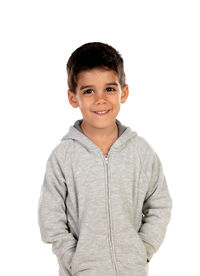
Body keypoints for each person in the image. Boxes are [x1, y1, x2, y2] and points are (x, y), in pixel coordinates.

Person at [38, 42, 172, 276]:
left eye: (109, 89)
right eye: (89, 91)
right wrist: (73, 260)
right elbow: (51, 216)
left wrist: (143, 250)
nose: (100, 99)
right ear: (73, 98)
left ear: (124, 92)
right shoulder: (64, 156)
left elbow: (159, 204)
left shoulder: (141, 152)